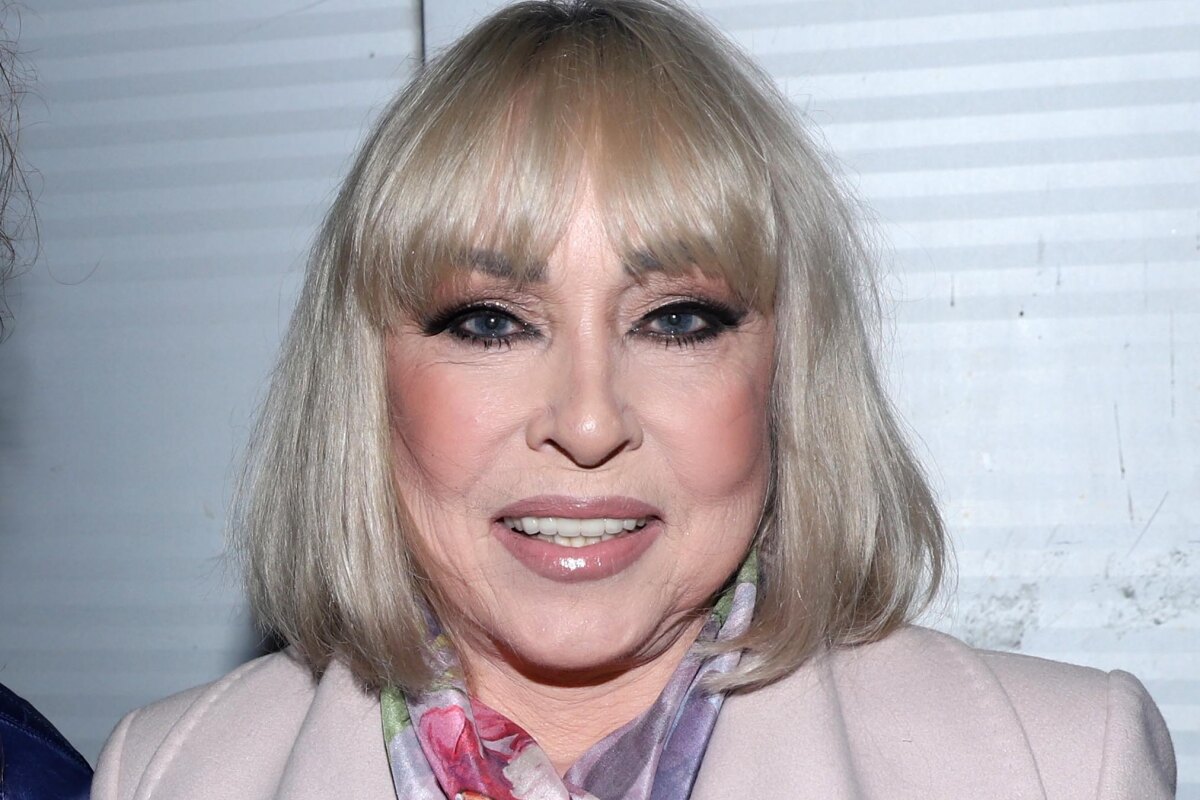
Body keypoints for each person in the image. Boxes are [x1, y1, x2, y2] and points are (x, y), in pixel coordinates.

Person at [90, 1, 1176, 797]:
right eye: (490, 322)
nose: (589, 420)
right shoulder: (165, 773)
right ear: (366, 379)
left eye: (678, 320)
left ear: (786, 373)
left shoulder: (1063, 764)